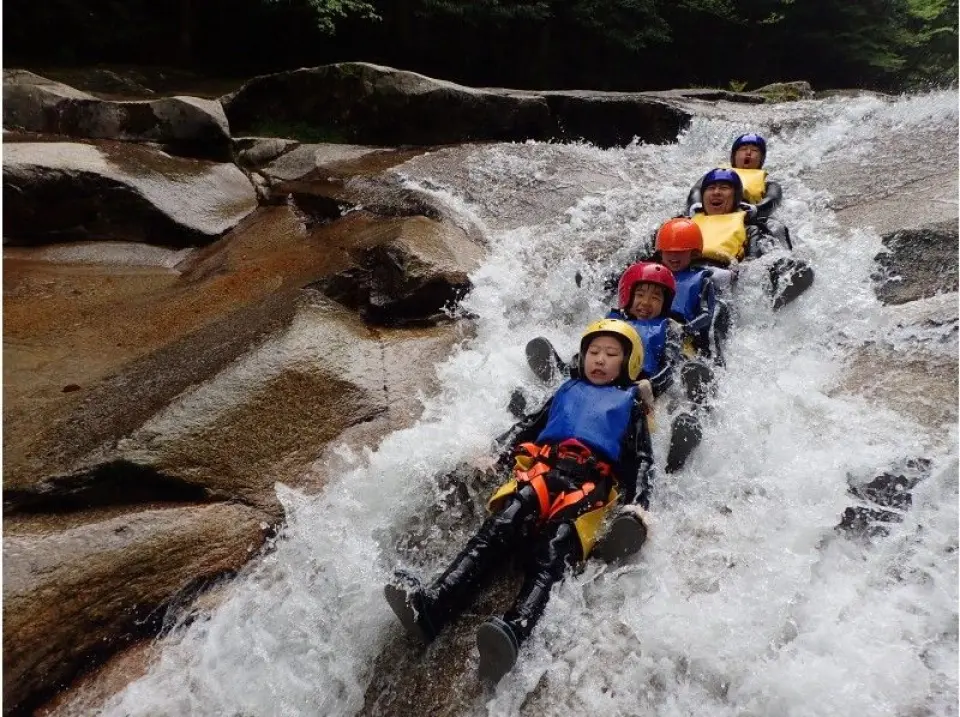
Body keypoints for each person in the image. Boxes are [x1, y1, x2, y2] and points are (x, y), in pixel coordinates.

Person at [385, 319, 654, 683]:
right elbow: (528, 424)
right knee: (497, 528)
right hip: (543, 472)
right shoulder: (567, 389)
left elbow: (641, 460)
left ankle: (516, 628)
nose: (600, 360)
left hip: (588, 488)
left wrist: (637, 506)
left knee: (554, 550)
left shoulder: (631, 404)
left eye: (611, 354)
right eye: (593, 352)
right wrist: (497, 451)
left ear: (628, 363)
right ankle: (433, 606)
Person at [526, 262, 700, 473]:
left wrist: (651, 385)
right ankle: (557, 378)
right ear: (628, 296)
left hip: (642, 388)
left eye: (655, 297)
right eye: (641, 295)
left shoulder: (669, 328)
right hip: (600, 381)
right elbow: (588, 354)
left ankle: (673, 461)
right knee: (569, 391)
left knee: (647, 426)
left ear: (665, 303)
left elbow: (671, 365)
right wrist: (575, 369)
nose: (646, 302)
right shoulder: (612, 321)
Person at [689, 168, 814, 310]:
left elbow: (753, 267)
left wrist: (732, 275)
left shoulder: (750, 228)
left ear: (736, 196)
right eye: (711, 188)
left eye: (724, 188)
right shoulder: (684, 224)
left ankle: (771, 310)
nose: (716, 192)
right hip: (685, 277)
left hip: (721, 285)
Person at [686, 133, 784, 220]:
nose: (748, 153)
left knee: (776, 227)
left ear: (761, 159)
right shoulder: (715, 175)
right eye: (743, 149)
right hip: (711, 214)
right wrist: (696, 204)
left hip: (746, 217)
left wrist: (755, 209)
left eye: (754, 150)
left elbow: (773, 199)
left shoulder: (769, 185)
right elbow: (696, 189)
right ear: (733, 157)